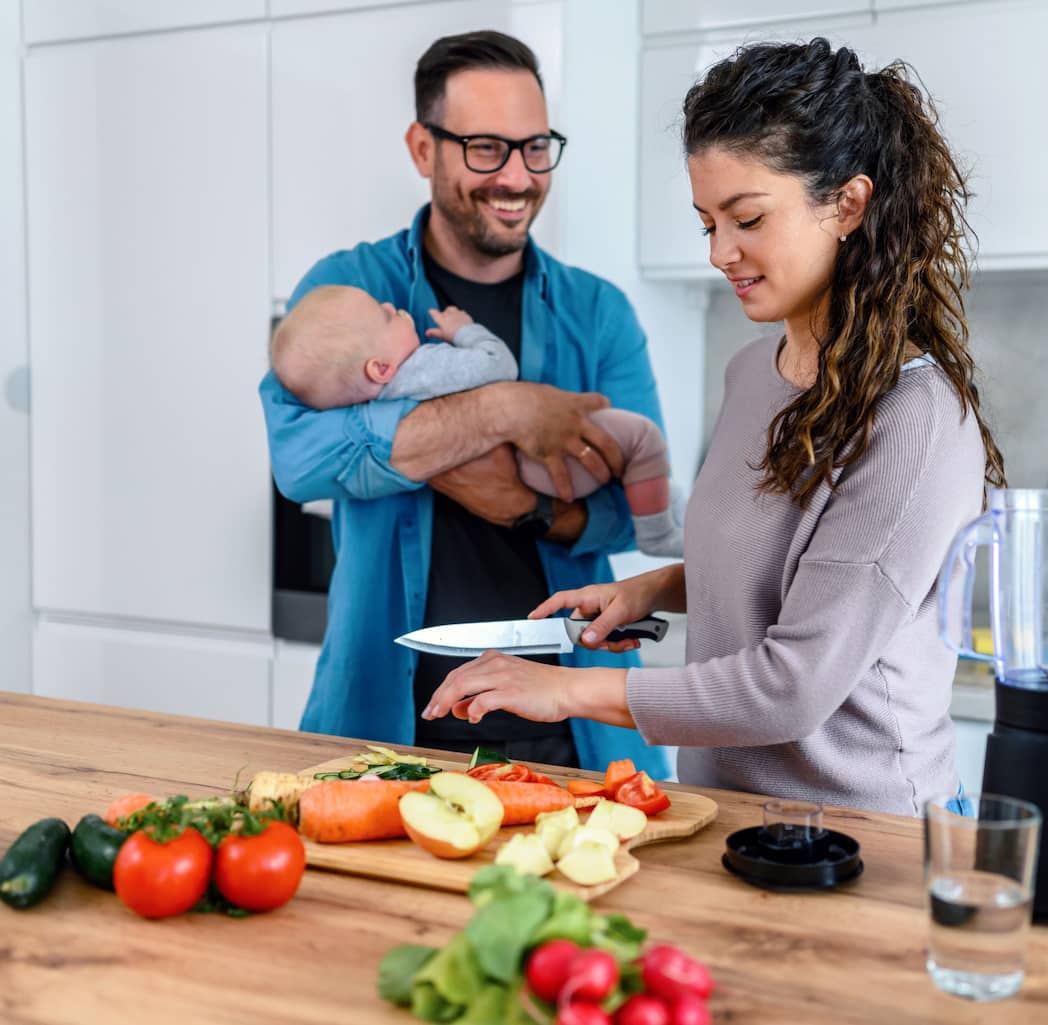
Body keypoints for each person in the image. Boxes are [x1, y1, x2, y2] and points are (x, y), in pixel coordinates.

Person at [422, 39, 1008, 815]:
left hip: (868, 838)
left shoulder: (915, 419)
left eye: (747, 218)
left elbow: (793, 684)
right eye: (707, 223)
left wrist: (565, 690)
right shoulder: (750, 372)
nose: (721, 253)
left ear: (850, 204)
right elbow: (779, 576)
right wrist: (651, 590)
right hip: (718, 812)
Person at [258, 30, 671, 776]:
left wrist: (525, 506)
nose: (516, 176)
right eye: (486, 147)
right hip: (381, 724)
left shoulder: (599, 313)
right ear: (424, 148)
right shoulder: (349, 290)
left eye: (535, 146)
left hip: (576, 725)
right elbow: (297, 459)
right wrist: (501, 411)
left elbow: (628, 511)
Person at [269, 286, 683, 557]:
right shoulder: (424, 366)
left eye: (535, 148)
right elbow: (498, 365)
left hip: (544, 504)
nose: (393, 307)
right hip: (546, 470)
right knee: (643, 441)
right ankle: (668, 521)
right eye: (384, 316)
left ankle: (671, 512)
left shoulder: (599, 308)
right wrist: (467, 334)